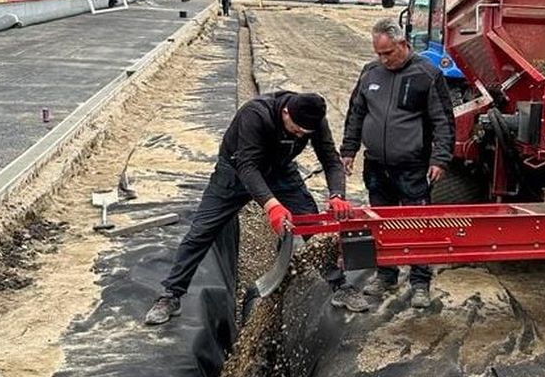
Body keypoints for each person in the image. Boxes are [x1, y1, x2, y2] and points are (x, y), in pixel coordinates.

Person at [145, 91, 369, 325]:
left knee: (312, 226)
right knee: (201, 232)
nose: (300, 134)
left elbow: (330, 160)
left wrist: (337, 195)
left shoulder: (313, 119)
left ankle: (340, 286)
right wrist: (272, 206)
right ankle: (170, 295)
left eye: (305, 133)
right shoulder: (256, 114)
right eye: (296, 129)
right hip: (235, 172)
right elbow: (248, 166)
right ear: (285, 112)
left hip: (281, 171)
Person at [340, 18, 455, 309]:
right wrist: (349, 150)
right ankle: (386, 274)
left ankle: (419, 282)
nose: (383, 59)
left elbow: (443, 120)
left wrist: (439, 158)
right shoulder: (370, 73)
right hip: (377, 166)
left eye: (388, 53)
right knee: (382, 221)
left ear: (402, 44)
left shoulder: (426, 74)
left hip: (412, 166)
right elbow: (356, 114)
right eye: (379, 53)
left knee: (418, 224)